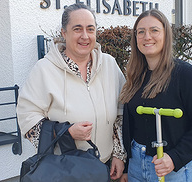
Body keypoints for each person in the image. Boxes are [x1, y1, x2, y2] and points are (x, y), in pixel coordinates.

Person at [17, 3, 126, 180]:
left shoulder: (110, 65)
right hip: (65, 171)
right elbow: (28, 119)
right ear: (63, 33)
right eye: (77, 29)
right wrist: (65, 133)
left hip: (103, 166)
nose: (85, 36)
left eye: (90, 29)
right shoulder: (44, 70)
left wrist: (119, 156)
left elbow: (121, 115)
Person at [119, 9, 192, 182]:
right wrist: (127, 166)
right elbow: (130, 126)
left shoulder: (186, 74)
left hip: (171, 171)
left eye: (154, 30)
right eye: (141, 32)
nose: (147, 36)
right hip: (135, 168)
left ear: (166, 35)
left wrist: (175, 158)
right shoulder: (135, 76)